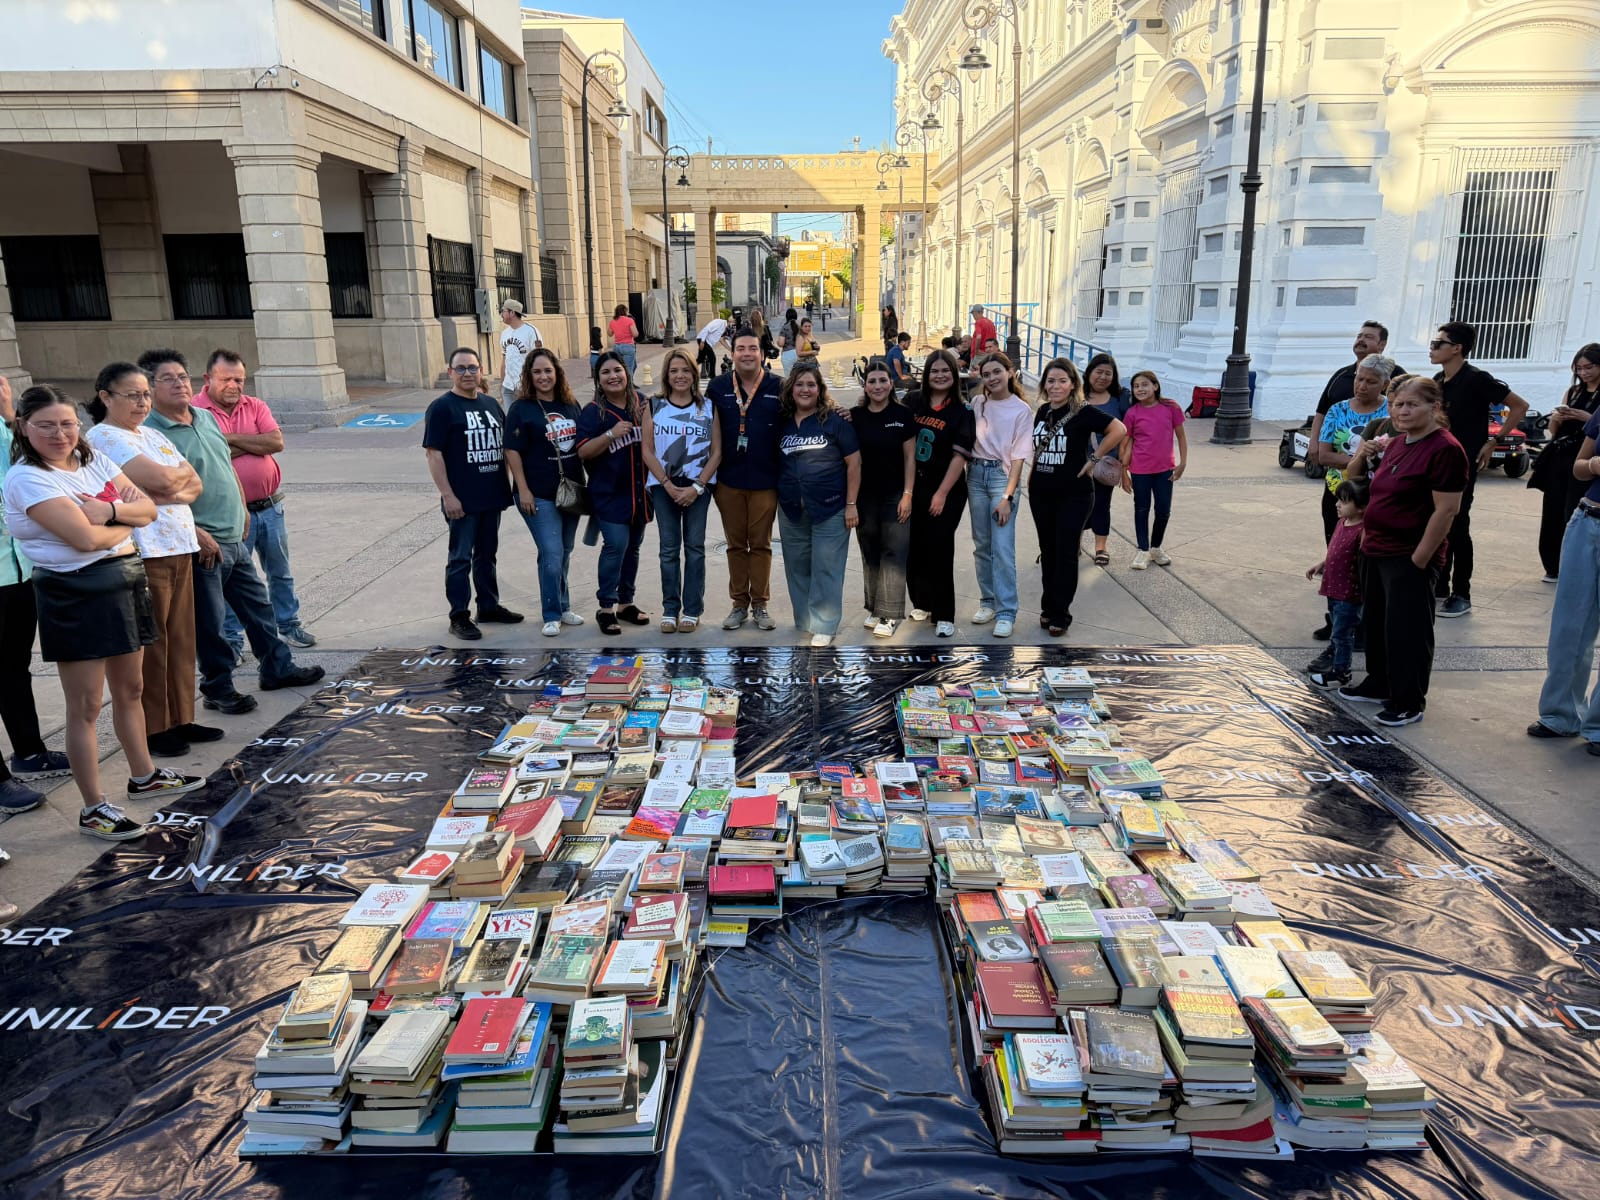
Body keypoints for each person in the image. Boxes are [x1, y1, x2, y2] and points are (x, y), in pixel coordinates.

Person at [2, 384, 204, 842]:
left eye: (67, 424)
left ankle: (144, 775)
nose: (59, 434)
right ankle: (93, 807)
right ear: (24, 427)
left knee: (131, 688)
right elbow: (84, 540)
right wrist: (123, 523)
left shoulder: (90, 460)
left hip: (124, 580)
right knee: (86, 706)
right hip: (75, 592)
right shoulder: (28, 478)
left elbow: (148, 509)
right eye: (46, 426)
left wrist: (109, 510)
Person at [141, 349, 325, 713]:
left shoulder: (205, 418)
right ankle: (218, 687)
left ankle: (277, 667)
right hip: (203, 542)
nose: (179, 384)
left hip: (234, 534)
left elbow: (227, 467)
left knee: (258, 608)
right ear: (150, 387)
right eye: (168, 379)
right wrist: (195, 532)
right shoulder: (150, 433)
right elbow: (154, 494)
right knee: (210, 622)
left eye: (182, 376)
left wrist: (241, 511)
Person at [86, 362, 220, 759]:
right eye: (133, 395)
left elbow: (193, 482)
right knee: (154, 640)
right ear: (106, 397)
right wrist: (168, 483)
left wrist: (165, 489)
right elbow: (164, 480)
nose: (142, 402)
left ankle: (182, 716)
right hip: (145, 549)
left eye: (145, 394)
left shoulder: (152, 434)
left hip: (178, 544)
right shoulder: (104, 437)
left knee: (181, 637)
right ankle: (155, 725)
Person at [1342, 377, 1468, 726]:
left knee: (1407, 630)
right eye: (1398, 404)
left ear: (1434, 407)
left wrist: (1420, 559)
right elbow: (1359, 480)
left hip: (1408, 553)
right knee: (1378, 623)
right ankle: (1379, 682)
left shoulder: (1445, 449)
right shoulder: (1397, 443)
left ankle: (1408, 699)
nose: (1403, 411)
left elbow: (1447, 510)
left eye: (1412, 404)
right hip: (1376, 549)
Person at [192, 349, 316, 653]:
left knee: (280, 572)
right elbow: (209, 455)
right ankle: (232, 640)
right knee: (232, 580)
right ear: (208, 378)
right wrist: (253, 442)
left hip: (271, 507)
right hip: (231, 515)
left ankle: (289, 624)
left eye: (239, 380)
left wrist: (230, 439)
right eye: (226, 379)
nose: (234, 385)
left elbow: (275, 442)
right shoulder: (195, 411)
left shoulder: (255, 405)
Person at [0, 376, 68, 823]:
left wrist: (10, 415)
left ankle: (29, 751)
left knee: (12, 666)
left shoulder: (6, 426)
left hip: (18, 567)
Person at [421, 346, 522, 642]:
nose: (468, 373)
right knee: (460, 559)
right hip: (462, 501)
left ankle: (488, 606)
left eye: (472, 367)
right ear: (450, 372)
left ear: (481, 370)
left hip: (491, 495)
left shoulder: (490, 404)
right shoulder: (442, 408)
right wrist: (448, 496)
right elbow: (433, 454)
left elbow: (506, 448)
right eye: (461, 368)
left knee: (487, 555)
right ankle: (459, 616)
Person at [1430, 321, 1528, 617]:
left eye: (1438, 344)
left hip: (1463, 462)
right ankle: (1440, 584)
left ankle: (1462, 593)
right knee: (1438, 521)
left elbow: (1519, 406)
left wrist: (1494, 441)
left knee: (1458, 524)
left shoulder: (1477, 379)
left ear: (1457, 348)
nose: (1432, 349)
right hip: (1437, 460)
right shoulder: (1438, 380)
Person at [1028, 358, 1128, 637]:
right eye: (1051, 381)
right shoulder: (1043, 411)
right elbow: (1038, 449)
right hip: (1041, 493)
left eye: (1062, 381)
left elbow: (1119, 429)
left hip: (1074, 495)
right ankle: (1048, 607)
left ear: (1073, 384)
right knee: (1048, 552)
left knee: (1066, 553)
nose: (1056, 386)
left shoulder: (1083, 411)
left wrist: (1094, 459)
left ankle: (1061, 613)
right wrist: (1031, 479)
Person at [1307, 353, 1393, 672]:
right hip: (1341, 496)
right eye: (1359, 378)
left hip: (1377, 501)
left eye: (1370, 381)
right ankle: (1339, 625)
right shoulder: (1338, 410)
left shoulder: (1390, 414)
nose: (1362, 385)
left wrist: (1365, 463)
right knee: (1339, 560)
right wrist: (1361, 460)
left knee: (1367, 564)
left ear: (1385, 383)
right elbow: (1325, 455)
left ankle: (1362, 627)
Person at [1528, 406, 1600, 755]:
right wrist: (1595, 465)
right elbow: (1579, 467)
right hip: (1587, 520)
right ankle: (1560, 714)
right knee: (1569, 626)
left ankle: (1598, 727)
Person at [775, 363, 860, 647]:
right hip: (791, 508)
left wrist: (851, 504)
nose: (805, 390)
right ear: (791, 389)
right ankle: (806, 619)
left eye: (811, 385)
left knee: (827, 566)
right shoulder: (782, 421)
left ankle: (825, 623)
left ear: (820, 389)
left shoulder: (835, 420)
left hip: (831, 507)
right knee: (797, 565)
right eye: (800, 384)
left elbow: (854, 464)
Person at [504, 348, 585, 638]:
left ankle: (563, 606)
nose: (543, 377)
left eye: (548, 371)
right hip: (537, 493)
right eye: (537, 372)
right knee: (551, 552)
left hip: (570, 492)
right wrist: (523, 489)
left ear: (557, 373)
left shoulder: (570, 404)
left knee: (564, 551)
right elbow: (512, 451)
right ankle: (551, 614)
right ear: (529, 375)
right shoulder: (521, 408)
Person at [709, 329, 785, 632]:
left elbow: (808, 408)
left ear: (762, 353)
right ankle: (739, 604)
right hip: (729, 480)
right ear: (732, 354)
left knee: (761, 545)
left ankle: (761, 604)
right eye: (740, 348)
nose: (747, 354)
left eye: (752, 348)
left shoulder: (779, 386)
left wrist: (840, 411)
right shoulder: (717, 387)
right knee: (736, 545)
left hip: (766, 480)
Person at [642, 346, 721, 634]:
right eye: (674, 370)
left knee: (695, 549)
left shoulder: (708, 407)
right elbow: (647, 450)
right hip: (665, 487)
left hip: (698, 487)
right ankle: (670, 609)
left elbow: (717, 452)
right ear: (666, 375)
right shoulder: (654, 406)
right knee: (669, 549)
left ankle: (692, 610)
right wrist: (666, 483)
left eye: (686, 370)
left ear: (694, 374)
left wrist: (698, 486)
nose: (680, 375)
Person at [577, 351, 653, 635]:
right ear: (598, 379)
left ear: (627, 372)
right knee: (616, 546)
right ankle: (606, 607)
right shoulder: (593, 411)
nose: (613, 376)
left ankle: (626, 603)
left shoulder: (643, 403)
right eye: (606, 372)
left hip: (639, 494)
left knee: (632, 548)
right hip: (609, 494)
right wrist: (610, 435)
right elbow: (583, 451)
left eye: (617, 370)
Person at [905, 349, 975, 637]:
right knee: (914, 546)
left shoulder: (962, 411)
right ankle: (922, 602)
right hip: (915, 484)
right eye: (934, 370)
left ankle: (944, 613)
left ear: (954, 374)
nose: (940, 375)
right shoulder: (913, 401)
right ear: (926, 374)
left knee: (940, 547)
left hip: (947, 488)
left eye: (946, 370)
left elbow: (959, 457)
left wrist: (942, 493)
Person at [967, 353, 1033, 638]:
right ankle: (988, 602)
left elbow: (1018, 458)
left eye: (997, 372)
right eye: (986, 374)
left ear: (1010, 372)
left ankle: (1006, 611)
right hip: (975, 475)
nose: (992, 378)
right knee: (982, 545)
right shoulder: (977, 403)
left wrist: (1008, 496)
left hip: (1001, 479)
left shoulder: (1021, 410)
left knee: (1002, 547)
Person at [850, 361, 915, 637]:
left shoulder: (903, 415)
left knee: (893, 553)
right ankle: (875, 608)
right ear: (865, 386)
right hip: (865, 496)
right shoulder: (854, 416)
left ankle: (889, 615)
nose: (877, 386)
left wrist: (908, 494)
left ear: (891, 384)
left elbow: (910, 458)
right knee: (870, 551)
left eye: (882, 380)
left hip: (895, 494)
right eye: (872, 381)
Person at [1530, 343, 1600, 582]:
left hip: (1585, 458)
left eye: (1589, 367)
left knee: (1574, 511)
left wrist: (1587, 418)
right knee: (1552, 510)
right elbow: (1553, 430)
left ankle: (1574, 567)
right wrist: (1558, 417)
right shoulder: (1574, 392)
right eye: (1579, 368)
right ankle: (1552, 565)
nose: (1583, 373)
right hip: (1560, 456)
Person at [1120, 370, 1187, 570]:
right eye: (1136, 386)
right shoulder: (1132, 413)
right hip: (1140, 470)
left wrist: (1183, 463)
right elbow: (1126, 442)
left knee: (1163, 510)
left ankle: (1156, 547)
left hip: (1165, 469)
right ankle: (1143, 550)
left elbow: (1181, 436)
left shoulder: (1171, 407)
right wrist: (1124, 472)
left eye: (1144, 384)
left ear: (1155, 386)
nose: (1140, 389)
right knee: (1141, 509)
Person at [1304, 478, 1368, 689]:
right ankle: (1335, 662)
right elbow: (1334, 551)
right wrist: (1321, 565)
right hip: (1334, 590)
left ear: (1361, 507)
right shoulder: (1342, 523)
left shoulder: (1362, 531)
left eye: (1344, 501)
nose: (1337, 504)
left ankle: (1341, 673)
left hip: (1348, 594)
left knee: (1343, 634)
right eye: (1338, 500)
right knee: (1337, 631)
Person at [1081, 353, 1131, 566]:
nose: (1102, 377)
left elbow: (1130, 428)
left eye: (1108, 373)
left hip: (1106, 464)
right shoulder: (1077, 395)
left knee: (1102, 504)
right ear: (1089, 373)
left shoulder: (1120, 397)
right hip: (1078, 463)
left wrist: (1125, 459)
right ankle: (1074, 543)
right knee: (1078, 505)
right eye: (1098, 372)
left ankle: (1101, 547)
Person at [499, 300, 541, 411]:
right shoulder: (504, 334)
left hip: (525, 386)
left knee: (526, 416)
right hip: (508, 386)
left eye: (503, 311)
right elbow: (504, 359)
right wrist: (502, 384)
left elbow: (539, 359)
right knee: (510, 418)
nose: (501, 314)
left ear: (512, 313)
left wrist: (530, 385)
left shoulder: (531, 331)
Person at [608, 303, 640, 376]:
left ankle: (626, 380)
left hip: (617, 347)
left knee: (627, 366)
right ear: (625, 311)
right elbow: (635, 334)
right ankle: (628, 382)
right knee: (628, 369)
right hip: (628, 346)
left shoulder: (613, 321)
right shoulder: (629, 320)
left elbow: (609, 334)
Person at [696, 316, 729, 381]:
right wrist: (702, 341)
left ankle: (687, 367)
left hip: (705, 342)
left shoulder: (724, 328)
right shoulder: (719, 322)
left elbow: (722, 341)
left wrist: (731, 350)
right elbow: (707, 329)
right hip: (704, 340)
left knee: (700, 359)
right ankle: (712, 376)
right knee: (712, 358)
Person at [779, 307, 802, 375]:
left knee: (789, 378)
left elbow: (781, 343)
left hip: (787, 354)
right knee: (798, 377)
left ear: (787, 316)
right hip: (799, 354)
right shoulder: (800, 327)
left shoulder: (785, 327)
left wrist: (777, 342)